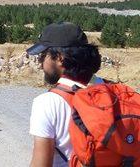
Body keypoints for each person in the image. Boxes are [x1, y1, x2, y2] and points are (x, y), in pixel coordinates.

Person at [27, 22, 102, 167]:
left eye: (44, 55)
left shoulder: (47, 102)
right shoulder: (111, 89)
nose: (40, 62)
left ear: (60, 58)